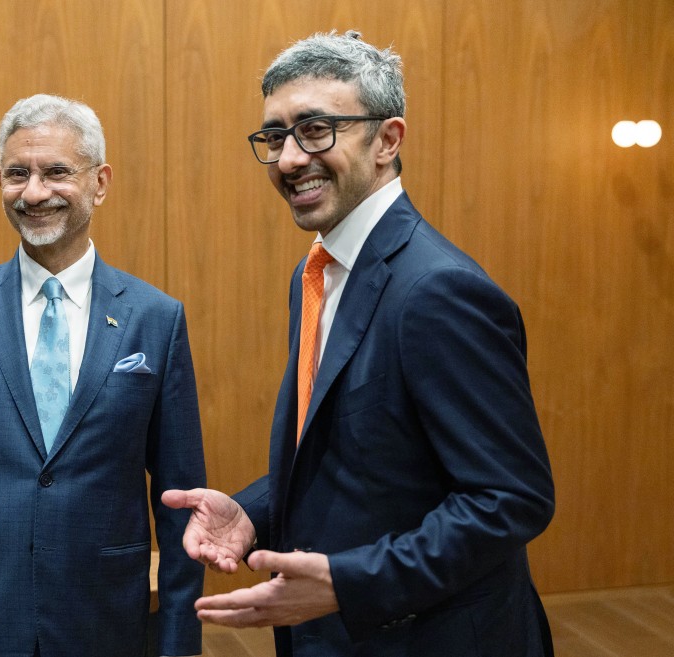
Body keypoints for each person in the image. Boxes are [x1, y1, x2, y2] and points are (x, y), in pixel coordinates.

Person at [162, 31, 555, 656]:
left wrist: (347, 582)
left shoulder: (439, 290)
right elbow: (353, 453)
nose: (289, 159)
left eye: (316, 130)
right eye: (275, 136)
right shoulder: (316, 271)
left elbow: (511, 500)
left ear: (388, 140)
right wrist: (253, 511)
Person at [0, 94, 205, 657]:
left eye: (56, 172)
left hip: (101, 619)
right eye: (16, 174)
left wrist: (180, 638)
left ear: (99, 183)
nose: (33, 193)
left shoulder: (156, 319)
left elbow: (179, 500)